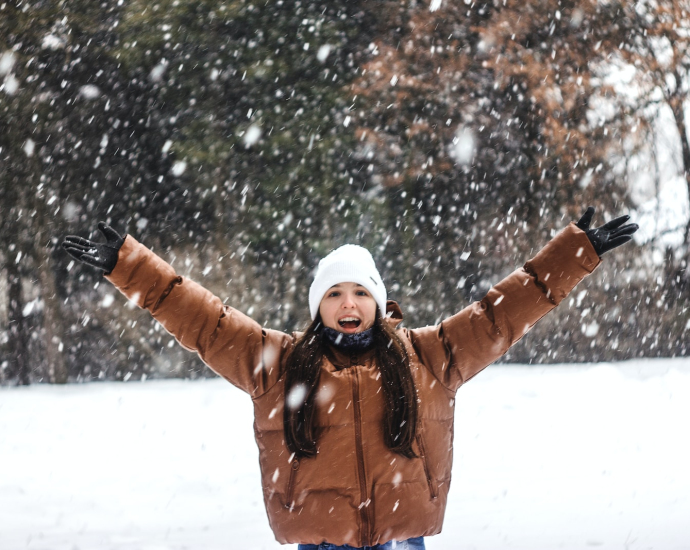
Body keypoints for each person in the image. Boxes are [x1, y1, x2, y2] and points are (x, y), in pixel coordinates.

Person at [62, 206, 637, 550]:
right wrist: (128, 266)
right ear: (318, 305)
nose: (347, 302)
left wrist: (574, 253)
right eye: (334, 293)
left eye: (360, 291)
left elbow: (500, 315)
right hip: (320, 540)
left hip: (401, 537)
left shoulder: (430, 357)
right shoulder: (279, 364)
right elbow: (205, 321)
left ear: (379, 301)